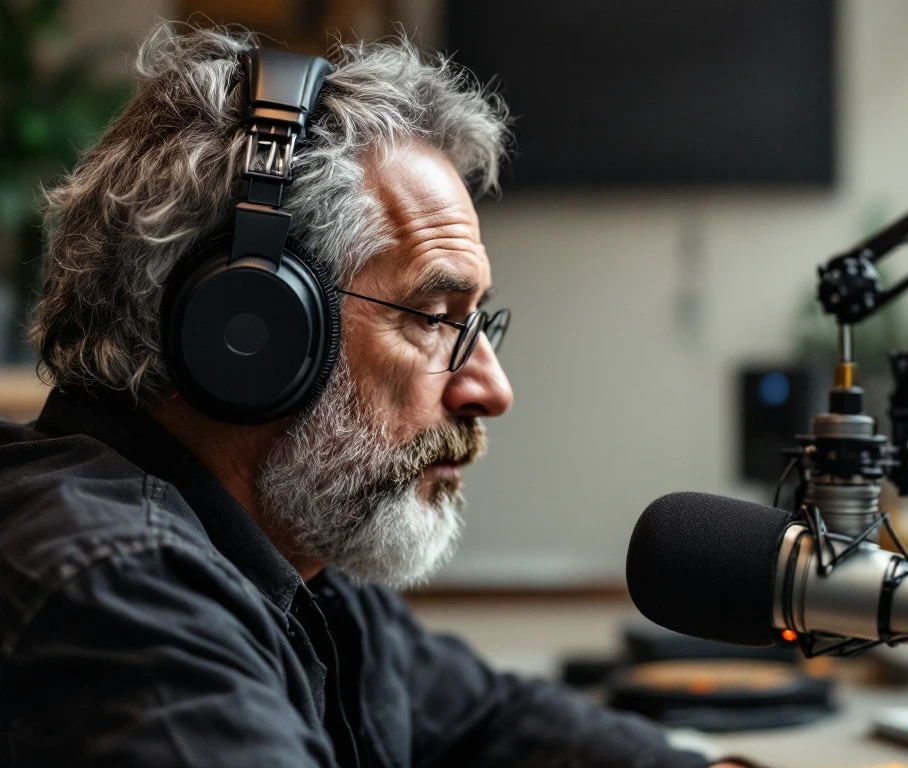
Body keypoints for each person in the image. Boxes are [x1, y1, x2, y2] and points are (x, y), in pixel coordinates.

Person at [0, 22, 752, 768]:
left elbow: (490, 721)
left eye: (476, 320)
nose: (492, 389)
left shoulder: (295, 562)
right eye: (434, 316)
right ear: (253, 333)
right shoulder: (115, 593)